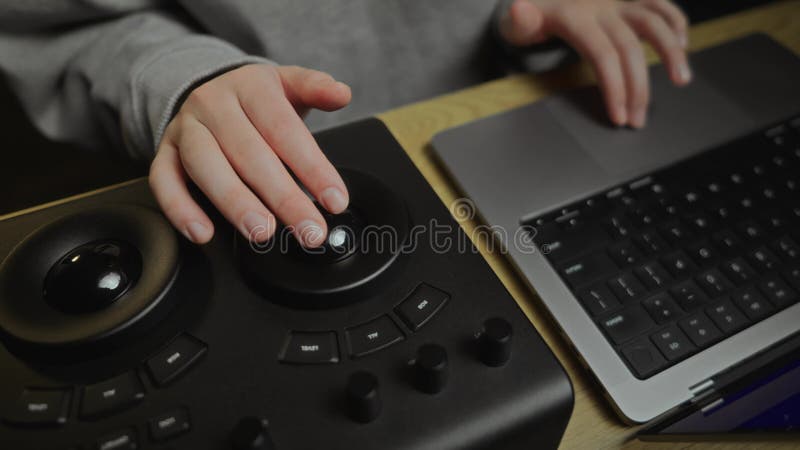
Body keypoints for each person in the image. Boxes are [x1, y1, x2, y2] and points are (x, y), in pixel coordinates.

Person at [0, 0, 690, 247]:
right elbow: (59, 29)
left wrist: (542, 17)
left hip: (523, 124)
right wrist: (180, 73)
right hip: (279, 167)